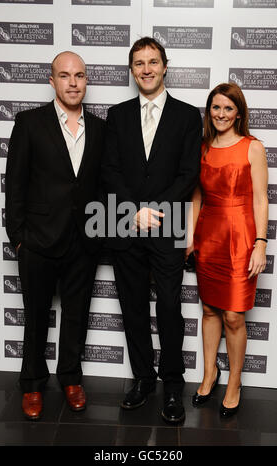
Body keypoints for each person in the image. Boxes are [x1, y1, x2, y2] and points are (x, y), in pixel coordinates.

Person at [102, 37, 202, 424]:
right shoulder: (117, 114)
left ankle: (173, 386)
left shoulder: (187, 116)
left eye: (153, 62)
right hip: (125, 225)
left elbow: (188, 173)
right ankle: (143, 379)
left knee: (170, 308)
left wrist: (153, 210)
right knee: (133, 308)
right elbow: (109, 170)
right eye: (139, 63)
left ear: (165, 66)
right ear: (132, 70)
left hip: (167, 227)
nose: (146, 69)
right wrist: (134, 210)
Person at [5, 51, 105, 420]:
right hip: (38, 241)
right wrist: (19, 237)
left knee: (76, 314)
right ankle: (32, 383)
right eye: (64, 76)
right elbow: (14, 185)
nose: (73, 82)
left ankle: (71, 378)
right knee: (36, 315)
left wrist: (100, 232)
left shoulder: (100, 128)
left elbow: (103, 186)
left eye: (79, 75)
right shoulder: (30, 122)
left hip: (84, 242)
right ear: (52, 81)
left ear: (86, 80)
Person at [187, 82, 268, 417]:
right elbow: (196, 197)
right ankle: (210, 373)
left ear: (239, 113)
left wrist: (260, 244)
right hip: (209, 235)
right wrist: (189, 237)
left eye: (228, 108)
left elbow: (261, 199)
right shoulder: (202, 147)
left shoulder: (253, 147)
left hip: (240, 237)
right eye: (216, 108)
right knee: (209, 311)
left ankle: (234, 382)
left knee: (234, 315)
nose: (221, 114)